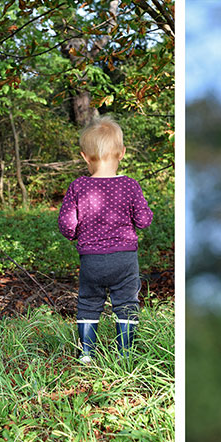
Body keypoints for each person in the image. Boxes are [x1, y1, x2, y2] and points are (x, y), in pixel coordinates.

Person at [58, 116, 153, 363]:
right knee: (126, 303)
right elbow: (143, 220)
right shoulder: (130, 186)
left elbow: (67, 225)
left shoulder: (78, 186)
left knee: (89, 302)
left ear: (84, 156)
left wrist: (79, 234)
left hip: (92, 260)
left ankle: (86, 353)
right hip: (125, 258)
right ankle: (124, 353)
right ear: (122, 153)